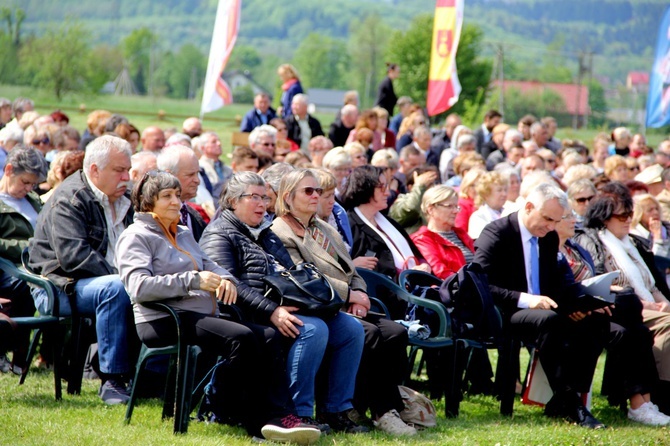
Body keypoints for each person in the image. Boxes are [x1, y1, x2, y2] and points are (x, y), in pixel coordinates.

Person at [117, 171, 320, 444]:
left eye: (177, 195)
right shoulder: (136, 235)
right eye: (166, 196)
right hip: (162, 319)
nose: (176, 201)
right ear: (147, 201)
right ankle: (254, 419)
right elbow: (138, 287)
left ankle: (280, 414)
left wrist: (224, 278)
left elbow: (209, 264)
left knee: (268, 336)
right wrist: (193, 280)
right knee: (242, 338)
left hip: (198, 315)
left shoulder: (183, 232)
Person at [200, 171, 366, 434]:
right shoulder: (220, 234)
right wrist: (273, 311)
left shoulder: (263, 231)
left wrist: (314, 301)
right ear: (233, 201)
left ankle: (336, 410)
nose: (261, 204)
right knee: (313, 329)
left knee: (350, 329)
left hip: (282, 306)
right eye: (252, 197)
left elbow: (292, 272)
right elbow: (231, 285)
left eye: (264, 197)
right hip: (247, 314)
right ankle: (299, 413)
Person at [271, 168, 416, 435]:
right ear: (288, 196)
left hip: (338, 305)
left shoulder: (323, 227)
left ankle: (340, 410)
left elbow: (352, 270)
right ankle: (303, 412)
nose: (316, 196)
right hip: (312, 306)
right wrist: (348, 296)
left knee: (387, 331)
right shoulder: (280, 231)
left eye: (318, 191)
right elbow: (303, 279)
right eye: (308, 191)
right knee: (354, 331)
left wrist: (359, 296)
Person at [473, 182, 609, 429]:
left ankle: (562, 400)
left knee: (596, 320)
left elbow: (557, 286)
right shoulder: (496, 233)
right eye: (548, 219)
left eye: (556, 221)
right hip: (506, 312)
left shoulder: (548, 238)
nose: (551, 226)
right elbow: (482, 285)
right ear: (528, 207)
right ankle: (572, 405)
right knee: (549, 321)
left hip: (544, 308)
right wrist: (527, 299)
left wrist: (583, 303)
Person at [29, 135, 136, 405]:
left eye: (128, 169)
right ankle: (112, 380)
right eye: (119, 170)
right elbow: (74, 258)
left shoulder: (127, 199)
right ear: (95, 170)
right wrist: (128, 278)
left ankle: (152, 379)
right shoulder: (70, 198)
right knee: (115, 289)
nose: (127, 177)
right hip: (58, 286)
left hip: (101, 283)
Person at [555, 200, 670, 425]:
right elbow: (554, 286)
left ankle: (642, 404)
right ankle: (655, 399)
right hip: (576, 310)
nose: (574, 220)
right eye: (566, 217)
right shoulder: (552, 248)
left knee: (636, 332)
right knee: (629, 304)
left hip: (597, 307)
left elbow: (590, 279)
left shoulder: (573, 247)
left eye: (630, 214)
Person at [0, 147, 48, 373]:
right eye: (25, 182)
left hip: (38, 264)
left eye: (32, 184)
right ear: (9, 170)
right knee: (29, 284)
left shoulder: (33, 200)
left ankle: (41, 355)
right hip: (9, 270)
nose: (28, 188)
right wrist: (28, 246)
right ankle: (13, 352)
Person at [342, 165, 431, 281]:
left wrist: (424, 265)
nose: (388, 193)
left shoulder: (389, 222)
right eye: (382, 187)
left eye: (387, 186)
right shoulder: (349, 227)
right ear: (365, 188)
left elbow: (416, 254)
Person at [410, 185, 474, 280]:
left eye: (456, 206)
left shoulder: (460, 233)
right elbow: (441, 273)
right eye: (449, 206)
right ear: (431, 209)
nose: (456, 211)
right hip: (458, 290)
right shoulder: (423, 239)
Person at [157, 145, 209, 241]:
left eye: (197, 173)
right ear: (169, 175)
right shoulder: (157, 218)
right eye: (190, 175)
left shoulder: (194, 216)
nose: (197, 180)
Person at [467, 171, 509, 240]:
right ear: (486, 194)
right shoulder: (478, 217)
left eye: (505, 190)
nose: (504, 194)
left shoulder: (511, 211)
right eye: (499, 190)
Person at [630, 194, 670, 264]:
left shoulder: (667, 228)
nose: (655, 212)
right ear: (639, 214)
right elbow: (656, 262)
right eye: (650, 210)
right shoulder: (635, 236)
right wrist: (657, 236)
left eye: (656, 209)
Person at [198, 131, 232, 199]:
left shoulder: (228, 169)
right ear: (203, 148)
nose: (219, 144)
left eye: (219, 141)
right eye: (214, 142)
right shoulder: (199, 168)